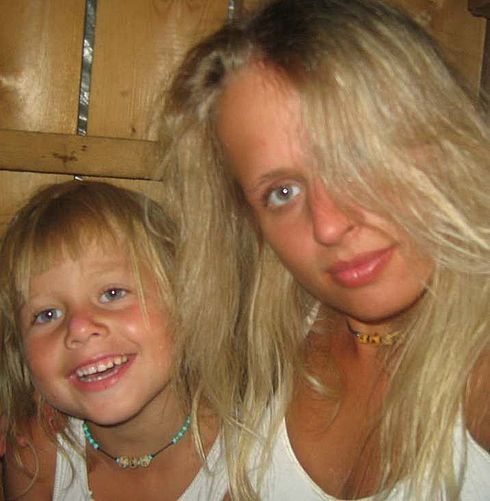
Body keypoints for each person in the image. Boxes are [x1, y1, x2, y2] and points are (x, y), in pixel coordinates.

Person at [156, 0, 490, 499]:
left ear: (444, 138)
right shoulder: (280, 339)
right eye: (282, 192)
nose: (329, 225)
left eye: (355, 154)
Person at [0, 181, 227, 500]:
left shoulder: (249, 454)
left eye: (112, 293)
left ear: (185, 301)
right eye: (47, 314)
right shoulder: (36, 458)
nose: (79, 328)